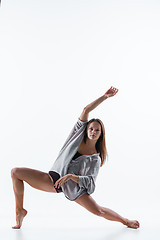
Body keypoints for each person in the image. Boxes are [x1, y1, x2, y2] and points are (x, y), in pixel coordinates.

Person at [11, 86, 140, 229]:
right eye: (91, 128)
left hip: (75, 189)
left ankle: (126, 221)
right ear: (86, 129)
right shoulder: (76, 135)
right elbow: (86, 110)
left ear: (101, 134)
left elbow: (90, 184)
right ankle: (19, 211)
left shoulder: (95, 158)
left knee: (99, 211)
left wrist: (72, 177)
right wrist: (105, 96)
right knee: (15, 172)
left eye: (97, 130)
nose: (93, 131)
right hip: (53, 180)